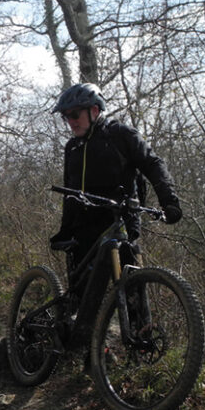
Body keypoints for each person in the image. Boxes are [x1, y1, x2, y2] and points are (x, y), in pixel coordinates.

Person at [48, 82, 183, 334]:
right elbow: (70, 193)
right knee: (82, 296)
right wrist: (65, 230)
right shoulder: (73, 147)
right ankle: (81, 342)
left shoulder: (121, 135)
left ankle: (139, 340)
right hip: (84, 228)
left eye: (74, 114)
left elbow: (153, 164)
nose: (70, 122)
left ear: (94, 111)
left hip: (121, 221)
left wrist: (170, 202)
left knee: (132, 284)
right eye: (66, 117)